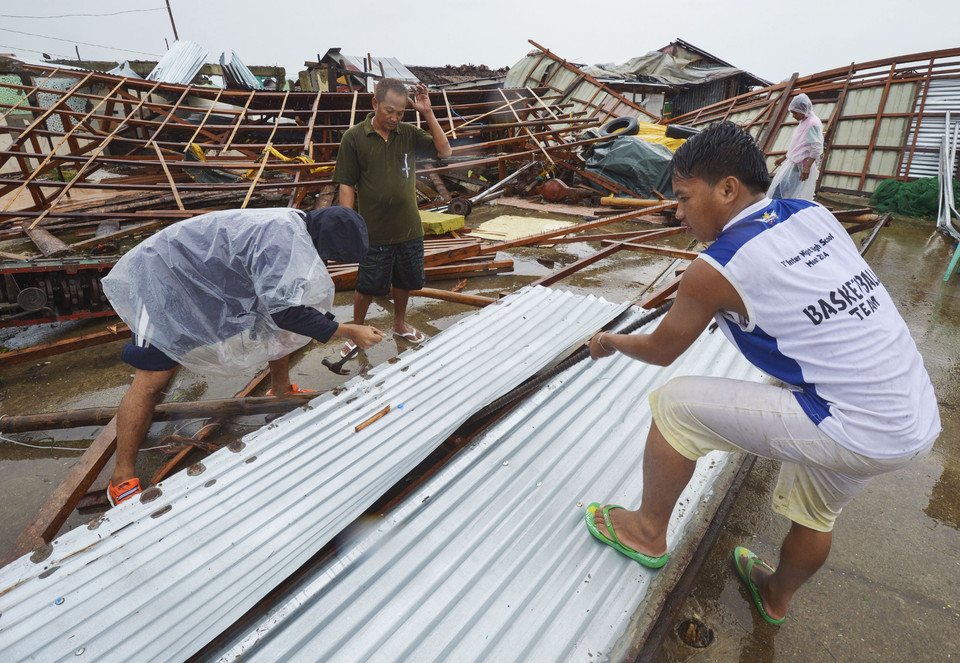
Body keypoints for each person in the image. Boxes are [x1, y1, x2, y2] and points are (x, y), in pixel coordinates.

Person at [584, 122, 940, 625]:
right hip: (914, 416)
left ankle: (645, 530)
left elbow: (663, 350)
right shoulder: (814, 213)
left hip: (853, 421)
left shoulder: (715, 268)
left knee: (675, 406)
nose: (678, 212)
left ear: (728, 188)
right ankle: (774, 597)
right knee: (816, 511)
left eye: (684, 198)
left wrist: (609, 341)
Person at [100, 206, 386, 506]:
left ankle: (281, 389)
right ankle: (121, 477)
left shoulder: (300, 228)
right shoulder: (282, 238)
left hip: (204, 274)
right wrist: (349, 330)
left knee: (276, 328)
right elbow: (286, 312)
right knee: (152, 376)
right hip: (159, 276)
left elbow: (283, 304)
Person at [333, 78, 452, 358]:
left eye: (400, 113)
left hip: (408, 227)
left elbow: (445, 151)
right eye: (389, 111)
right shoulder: (354, 138)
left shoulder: (408, 134)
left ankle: (399, 324)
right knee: (367, 285)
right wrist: (349, 225)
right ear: (375, 103)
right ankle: (355, 331)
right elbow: (347, 185)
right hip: (373, 230)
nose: (395, 118)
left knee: (404, 281)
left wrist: (428, 114)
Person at [768, 93, 824, 200]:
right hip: (794, 163)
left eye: (795, 113)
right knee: (782, 191)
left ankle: (777, 213)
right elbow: (799, 144)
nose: (793, 116)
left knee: (782, 193)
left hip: (800, 166)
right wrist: (784, 157)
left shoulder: (812, 124)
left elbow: (816, 148)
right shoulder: (804, 120)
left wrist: (807, 167)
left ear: (803, 110)